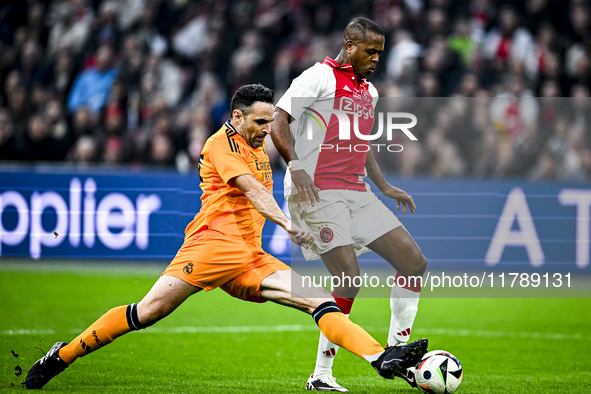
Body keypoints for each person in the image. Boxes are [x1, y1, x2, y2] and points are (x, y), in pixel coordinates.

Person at [25, 84, 427, 390]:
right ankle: (61, 356)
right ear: (237, 117)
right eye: (259, 123)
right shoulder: (221, 145)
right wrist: (290, 226)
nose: (267, 130)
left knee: (318, 300)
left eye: (271, 123)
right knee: (147, 313)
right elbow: (254, 192)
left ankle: (380, 357)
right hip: (208, 250)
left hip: (250, 258)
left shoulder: (256, 142)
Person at [271, 18, 428, 392]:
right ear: (350, 44)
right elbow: (279, 121)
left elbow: (362, 142)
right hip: (317, 192)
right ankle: (321, 375)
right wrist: (295, 165)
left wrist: (385, 185)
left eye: (380, 53)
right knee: (349, 280)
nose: (376, 59)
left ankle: (396, 349)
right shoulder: (318, 76)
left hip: (357, 191)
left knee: (414, 263)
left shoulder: (368, 92)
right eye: (370, 52)